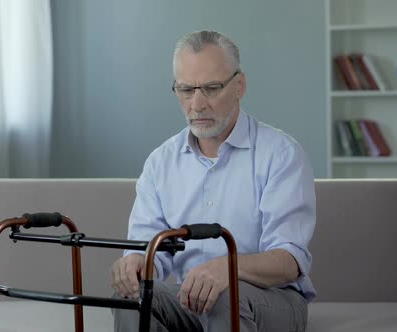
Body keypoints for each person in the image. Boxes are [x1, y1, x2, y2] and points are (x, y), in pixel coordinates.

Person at [110, 30, 316, 331]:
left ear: (239, 85)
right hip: (191, 299)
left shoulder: (281, 155)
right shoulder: (160, 162)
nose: (197, 104)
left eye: (211, 88)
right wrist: (138, 265)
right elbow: (149, 248)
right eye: (185, 89)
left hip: (273, 300)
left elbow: (288, 262)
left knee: (223, 295)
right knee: (130, 296)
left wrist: (228, 269)